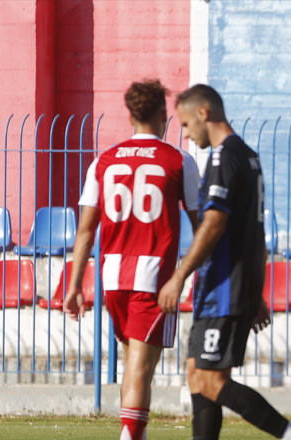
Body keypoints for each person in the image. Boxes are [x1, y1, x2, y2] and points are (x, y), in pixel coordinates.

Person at [157, 84, 291, 440]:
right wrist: (256, 293)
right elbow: (255, 235)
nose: (184, 133)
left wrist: (179, 275)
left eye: (185, 124)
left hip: (223, 289)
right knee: (197, 377)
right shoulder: (247, 155)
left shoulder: (223, 156)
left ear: (203, 113)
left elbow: (214, 223)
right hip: (229, 287)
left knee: (210, 380)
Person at [63, 79, 200, 440]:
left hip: (113, 278)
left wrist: (75, 284)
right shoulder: (178, 160)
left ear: (129, 115)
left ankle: (131, 434)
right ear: (162, 113)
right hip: (152, 278)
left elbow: (85, 230)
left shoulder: (103, 161)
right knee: (140, 367)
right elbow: (203, 224)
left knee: (134, 364)